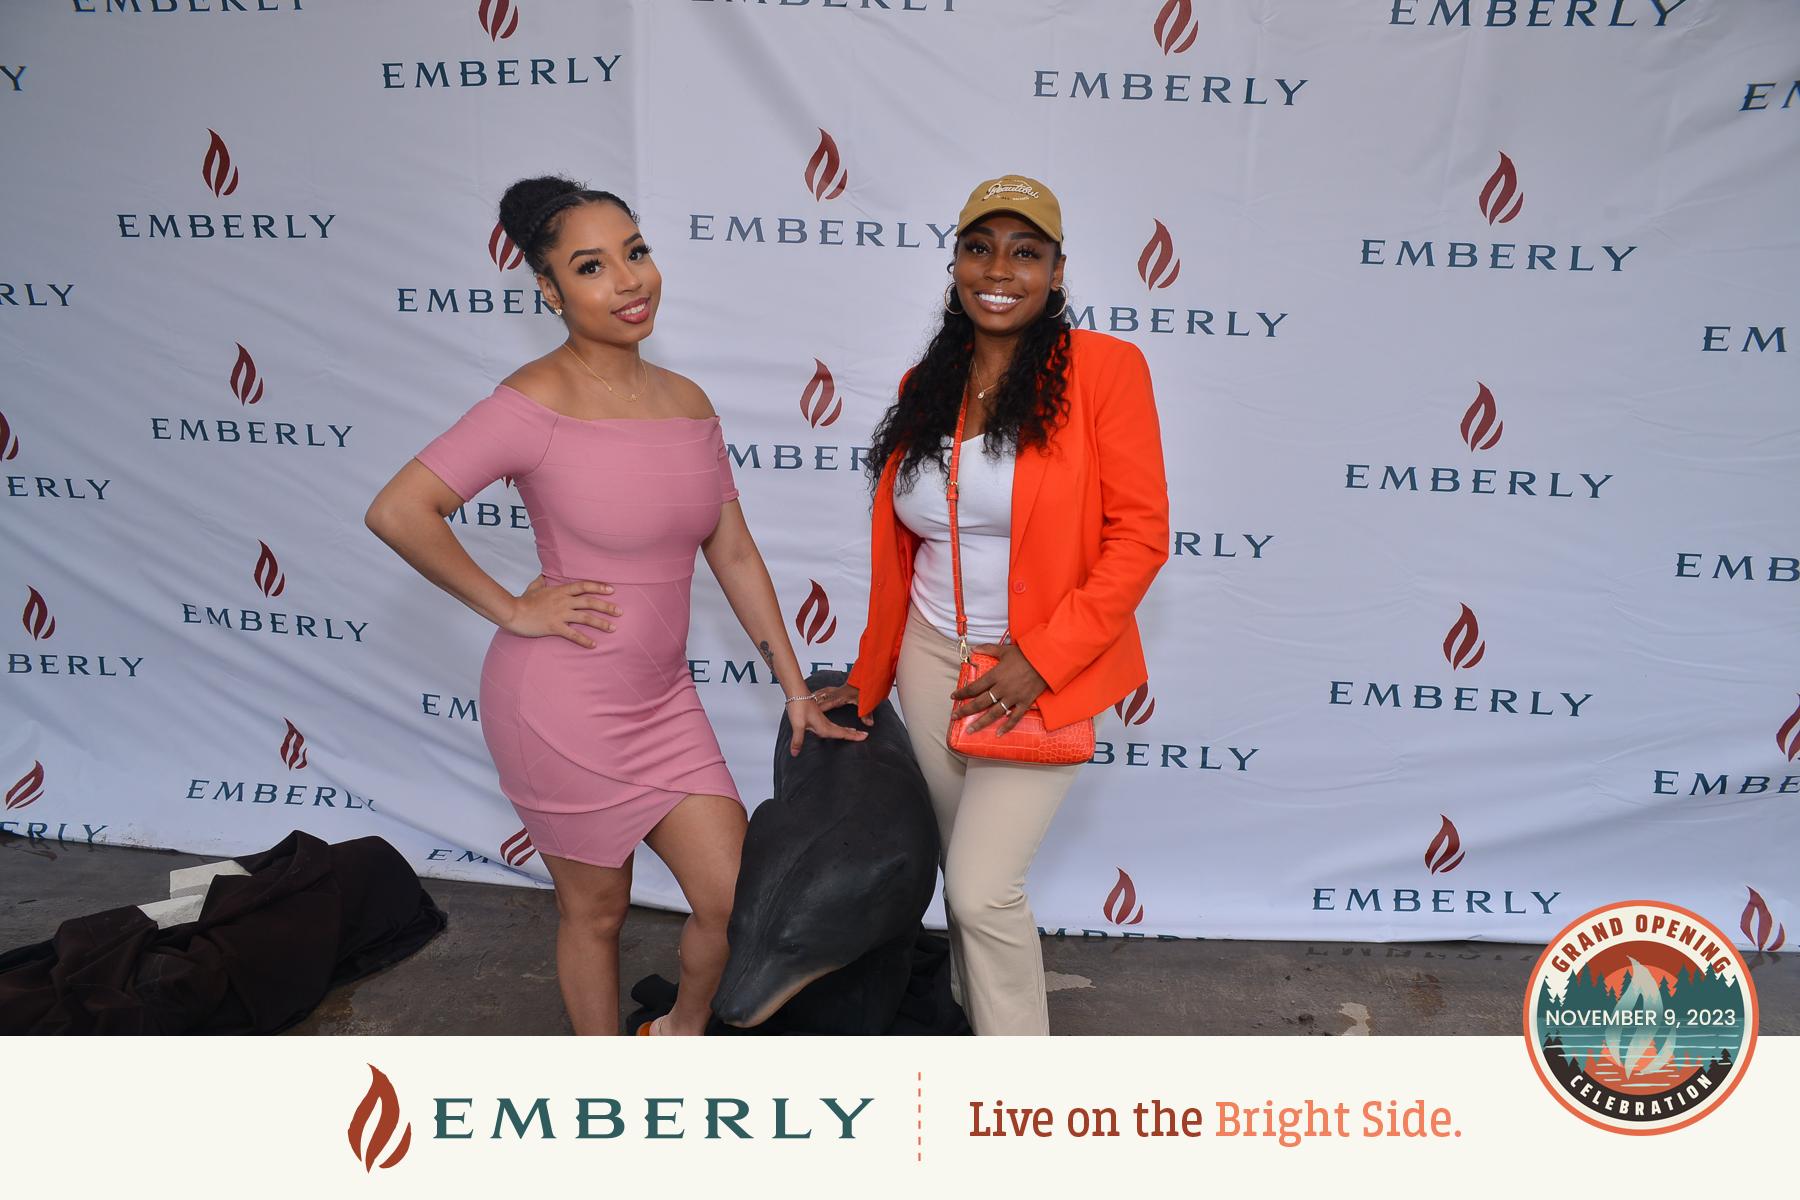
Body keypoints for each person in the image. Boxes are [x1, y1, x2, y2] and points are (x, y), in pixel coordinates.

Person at [365, 176, 863, 1036]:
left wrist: (791, 687)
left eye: (635, 253)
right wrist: (511, 610)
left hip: (664, 701)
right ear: (551, 292)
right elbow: (399, 509)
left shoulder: (687, 403)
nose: (629, 281)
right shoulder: (532, 403)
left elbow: (733, 552)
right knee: (596, 913)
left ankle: (674, 1037)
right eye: (593, 267)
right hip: (561, 704)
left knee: (734, 901)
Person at [813, 175, 1170, 1035]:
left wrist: (1038, 659)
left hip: (1036, 672)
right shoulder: (927, 379)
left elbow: (1140, 539)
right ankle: (980, 1025)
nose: (999, 269)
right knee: (961, 881)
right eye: (980, 248)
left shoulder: (1104, 371)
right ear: (956, 264)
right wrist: (868, 680)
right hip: (932, 662)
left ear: (1056, 270)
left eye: (1025, 251)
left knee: (980, 891)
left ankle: (1018, 1108)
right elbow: (904, 549)